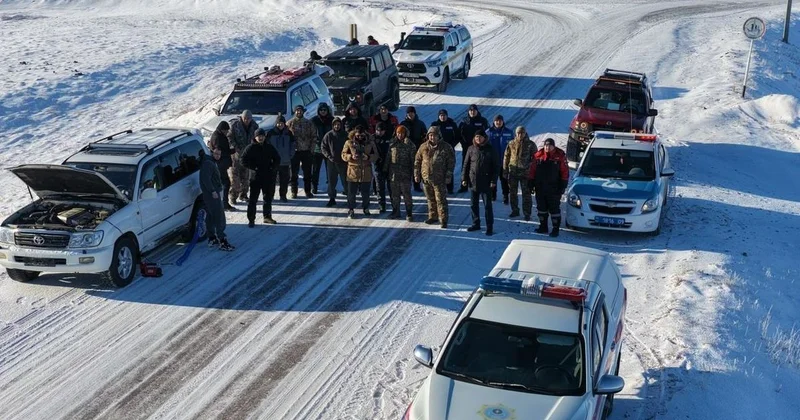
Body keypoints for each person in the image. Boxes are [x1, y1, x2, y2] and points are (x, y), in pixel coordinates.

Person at [414, 127, 455, 228]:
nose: (432, 137)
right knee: (430, 199)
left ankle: (443, 219)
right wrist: (416, 174)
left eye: (434, 135)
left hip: (439, 179)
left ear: (438, 136)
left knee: (441, 200)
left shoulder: (446, 147)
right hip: (426, 179)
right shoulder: (423, 147)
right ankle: (433, 216)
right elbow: (417, 161)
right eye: (430, 135)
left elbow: (451, 162)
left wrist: (448, 175)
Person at [241, 128, 282, 227]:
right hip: (255, 177)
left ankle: (267, 216)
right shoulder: (250, 148)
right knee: (253, 199)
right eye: (259, 136)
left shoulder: (269, 147)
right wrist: (253, 167)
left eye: (262, 136)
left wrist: (273, 167)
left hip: (268, 176)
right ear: (255, 137)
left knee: (267, 198)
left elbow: (277, 158)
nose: (260, 138)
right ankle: (251, 219)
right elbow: (243, 160)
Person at [529, 138, 569, 237]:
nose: (547, 147)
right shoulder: (538, 156)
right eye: (546, 145)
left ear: (553, 146)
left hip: (554, 188)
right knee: (541, 208)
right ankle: (543, 226)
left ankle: (555, 228)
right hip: (540, 187)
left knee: (554, 209)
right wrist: (530, 182)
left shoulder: (560, 157)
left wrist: (563, 185)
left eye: (549, 146)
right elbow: (532, 170)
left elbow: (565, 172)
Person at [463, 130, 499, 235]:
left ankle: (489, 227)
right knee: (473, 205)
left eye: (480, 137)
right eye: (476, 137)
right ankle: (476, 223)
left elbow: (496, 167)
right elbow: (466, 165)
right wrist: (464, 178)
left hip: (486, 182)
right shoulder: (471, 149)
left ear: (484, 138)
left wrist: (493, 180)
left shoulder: (491, 150)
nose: (478, 139)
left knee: (487, 206)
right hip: (473, 181)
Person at [199, 148, 234, 251]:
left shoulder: (209, 162)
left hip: (210, 194)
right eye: (216, 154)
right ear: (212, 153)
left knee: (211, 216)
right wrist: (213, 191)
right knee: (219, 216)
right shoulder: (209, 164)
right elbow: (206, 179)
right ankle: (222, 240)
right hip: (212, 195)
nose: (218, 156)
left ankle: (212, 238)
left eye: (219, 154)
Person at [342, 127, 379, 218]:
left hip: (366, 170)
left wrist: (368, 157)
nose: (359, 137)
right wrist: (351, 156)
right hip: (353, 171)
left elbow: (376, 155)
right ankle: (351, 209)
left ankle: (366, 208)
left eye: (361, 135)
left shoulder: (370, 143)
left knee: (365, 192)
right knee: (351, 192)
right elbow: (343, 155)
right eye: (357, 135)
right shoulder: (349, 142)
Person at [503, 126, 536, 220]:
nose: (520, 135)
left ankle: (527, 213)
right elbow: (506, 157)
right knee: (513, 193)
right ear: (515, 133)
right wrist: (505, 171)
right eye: (518, 133)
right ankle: (515, 210)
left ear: (525, 133)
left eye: (522, 133)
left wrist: (531, 170)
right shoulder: (511, 143)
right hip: (513, 173)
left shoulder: (530, 144)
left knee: (526, 194)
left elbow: (535, 159)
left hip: (526, 173)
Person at [384, 125, 416, 221]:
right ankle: (396, 211)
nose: (400, 135)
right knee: (395, 194)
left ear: (405, 134)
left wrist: (414, 173)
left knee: (407, 194)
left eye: (402, 133)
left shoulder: (410, 145)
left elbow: (413, 160)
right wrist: (385, 169)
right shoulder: (392, 144)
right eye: (398, 133)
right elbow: (388, 158)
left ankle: (409, 212)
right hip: (393, 174)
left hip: (405, 174)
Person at [227, 110, 259, 204]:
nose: (246, 120)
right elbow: (229, 137)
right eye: (245, 118)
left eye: (248, 118)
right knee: (235, 179)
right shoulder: (234, 125)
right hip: (236, 156)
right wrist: (235, 147)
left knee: (246, 177)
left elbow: (256, 138)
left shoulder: (254, 126)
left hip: (247, 156)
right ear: (241, 117)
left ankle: (244, 195)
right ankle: (233, 197)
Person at [457, 104, 490, 192]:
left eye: (474, 110)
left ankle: (477, 185)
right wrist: (463, 143)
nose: (472, 112)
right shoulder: (464, 121)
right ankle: (464, 185)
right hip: (467, 147)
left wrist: (484, 144)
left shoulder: (483, 121)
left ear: (477, 111)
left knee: (478, 166)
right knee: (466, 165)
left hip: (479, 147)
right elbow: (458, 134)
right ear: (468, 111)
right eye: (471, 110)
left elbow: (487, 134)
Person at [287, 105, 318, 198]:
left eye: (300, 110)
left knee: (307, 173)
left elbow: (314, 137)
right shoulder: (290, 123)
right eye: (297, 110)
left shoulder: (309, 123)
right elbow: (286, 137)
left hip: (306, 151)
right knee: (294, 173)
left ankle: (308, 191)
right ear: (294, 112)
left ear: (303, 112)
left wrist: (311, 150)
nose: (298, 112)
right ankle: (294, 191)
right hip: (295, 152)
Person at [429, 109, 460, 193]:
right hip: (437, 149)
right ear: (439, 116)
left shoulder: (452, 124)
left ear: (447, 116)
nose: (443, 117)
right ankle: (438, 187)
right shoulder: (434, 125)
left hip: (449, 149)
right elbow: (429, 136)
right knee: (437, 168)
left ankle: (450, 188)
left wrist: (452, 145)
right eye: (441, 115)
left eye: (444, 115)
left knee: (449, 168)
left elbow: (457, 136)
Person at [265, 114, 295, 202]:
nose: (280, 125)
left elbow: (293, 145)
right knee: (272, 180)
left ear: (284, 124)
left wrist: (290, 155)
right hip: (274, 161)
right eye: (278, 123)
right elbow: (267, 146)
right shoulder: (270, 133)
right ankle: (271, 196)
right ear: (276, 123)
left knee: (284, 180)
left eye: (282, 123)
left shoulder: (289, 133)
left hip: (285, 161)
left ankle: (283, 195)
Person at [207, 120, 235, 210]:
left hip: (221, 164)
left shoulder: (219, 135)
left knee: (223, 184)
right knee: (225, 184)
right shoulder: (217, 138)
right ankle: (224, 204)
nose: (227, 132)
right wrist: (232, 151)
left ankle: (222, 203)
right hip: (220, 165)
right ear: (222, 130)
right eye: (226, 130)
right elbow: (219, 152)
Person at [321, 117, 349, 207]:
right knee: (331, 181)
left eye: (338, 124)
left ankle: (349, 198)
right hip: (332, 162)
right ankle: (332, 198)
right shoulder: (328, 135)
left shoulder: (345, 135)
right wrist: (328, 156)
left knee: (345, 180)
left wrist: (347, 157)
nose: (337, 126)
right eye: (335, 125)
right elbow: (323, 147)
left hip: (343, 162)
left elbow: (350, 147)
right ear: (333, 125)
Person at [487, 114, 514, 203]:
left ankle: (505, 195)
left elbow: (513, 146)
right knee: (492, 179)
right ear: (494, 122)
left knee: (504, 179)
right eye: (496, 121)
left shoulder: (509, 132)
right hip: (492, 161)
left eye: (500, 121)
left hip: (504, 160)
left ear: (503, 121)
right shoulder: (488, 132)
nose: (498, 122)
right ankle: (492, 195)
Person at [400, 106, 427, 191]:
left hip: (417, 148)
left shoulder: (420, 123)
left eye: (412, 113)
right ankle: (404, 187)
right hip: (405, 149)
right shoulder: (403, 124)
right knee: (405, 169)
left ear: (415, 113)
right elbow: (398, 135)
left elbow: (425, 135)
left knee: (417, 168)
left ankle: (417, 186)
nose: (410, 115)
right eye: (409, 113)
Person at [310, 103, 334, 194]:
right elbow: (310, 134)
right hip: (317, 148)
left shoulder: (331, 120)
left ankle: (331, 187)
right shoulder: (314, 120)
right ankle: (314, 186)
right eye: (321, 110)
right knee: (316, 169)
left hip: (329, 148)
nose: (323, 112)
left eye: (325, 110)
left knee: (330, 170)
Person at [373, 121, 393, 212]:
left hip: (389, 165)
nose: (379, 132)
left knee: (391, 187)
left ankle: (394, 204)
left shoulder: (390, 138)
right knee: (380, 187)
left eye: (381, 130)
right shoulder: (372, 139)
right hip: (378, 165)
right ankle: (382, 205)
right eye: (378, 130)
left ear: (384, 131)